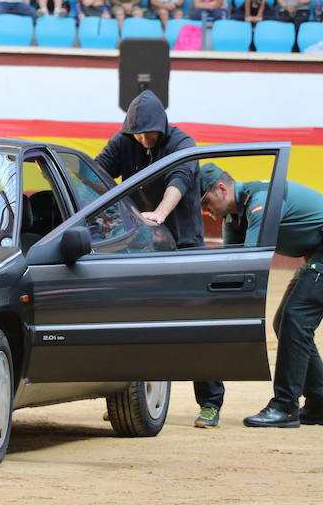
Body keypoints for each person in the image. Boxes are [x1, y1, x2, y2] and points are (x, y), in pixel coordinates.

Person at [199, 163, 323, 428]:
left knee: (297, 320)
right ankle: (322, 406)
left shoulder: (259, 200)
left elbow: (252, 263)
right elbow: (232, 265)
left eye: (206, 202)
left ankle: (285, 406)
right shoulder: (235, 216)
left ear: (221, 188)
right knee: (286, 322)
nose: (205, 211)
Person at [96, 90, 224, 430]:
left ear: (161, 127)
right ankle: (130, 399)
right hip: (144, 245)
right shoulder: (123, 141)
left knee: (196, 326)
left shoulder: (183, 143)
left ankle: (210, 404)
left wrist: (159, 214)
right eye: (135, 133)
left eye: (146, 133)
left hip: (184, 244)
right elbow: (96, 176)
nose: (141, 139)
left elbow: (178, 182)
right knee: (136, 323)